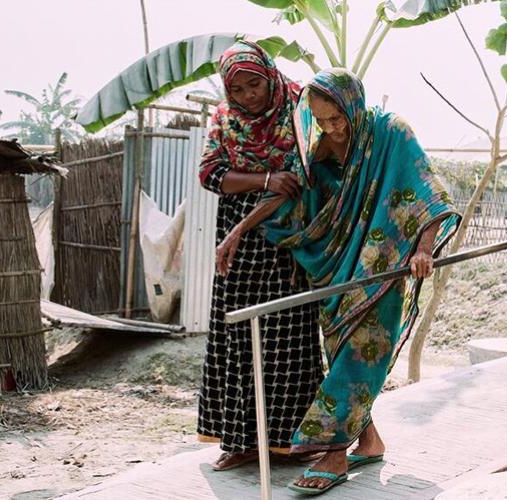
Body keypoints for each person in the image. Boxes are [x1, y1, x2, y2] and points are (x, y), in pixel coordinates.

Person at [216, 68, 460, 494]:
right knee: (342, 352)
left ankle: (331, 453)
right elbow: (290, 191)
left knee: (357, 358)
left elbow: (427, 192)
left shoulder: (392, 134)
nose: (332, 128)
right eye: (323, 120)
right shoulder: (323, 145)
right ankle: (368, 439)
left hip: (382, 265)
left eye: (338, 118)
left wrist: (423, 248)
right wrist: (238, 231)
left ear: (354, 104)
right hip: (337, 269)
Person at [195, 41, 324, 471]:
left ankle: (292, 440)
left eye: (256, 84)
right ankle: (240, 440)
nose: (250, 96)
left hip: (292, 228)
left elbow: (309, 168)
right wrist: (265, 177)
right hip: (238, 236)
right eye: (240, 90)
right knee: (237, 332)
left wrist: (278, 183)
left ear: (270, 74)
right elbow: (210, 174)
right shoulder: (224, 120)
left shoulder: (301, 106)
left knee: (289, 331)